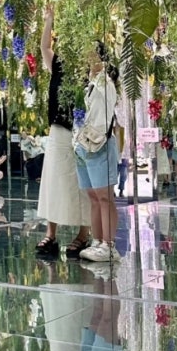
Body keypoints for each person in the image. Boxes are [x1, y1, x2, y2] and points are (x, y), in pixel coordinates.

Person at [35, 5, 91, 259]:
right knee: (54, 180)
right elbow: (44, 47)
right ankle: (51, 233)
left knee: (82, 182)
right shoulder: (58, 64)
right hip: (59, 129)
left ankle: (83, 234)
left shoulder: (89, 67)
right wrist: (49, 20)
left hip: (81, 131)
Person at [75, 41, 121, 264]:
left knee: (105, 197)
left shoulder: (105, 83)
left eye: (91, 52)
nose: (87, 56)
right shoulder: (89, 82)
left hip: (99, 144)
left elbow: (103, 117)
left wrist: (93, 137)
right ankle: (97, 241)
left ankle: (109, 245)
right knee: (93, 197)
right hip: (82, 145)